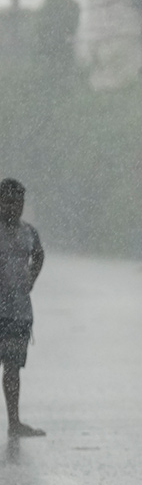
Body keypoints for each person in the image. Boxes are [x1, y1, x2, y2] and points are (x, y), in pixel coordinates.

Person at [0, 179, 45, 439]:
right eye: (8, 202)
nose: (13, 208)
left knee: (13, 368)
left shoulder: (28, 232)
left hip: (18, 313)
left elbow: (39, 254)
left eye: (18, 202)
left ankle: (14, 422)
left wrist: (32, 277)